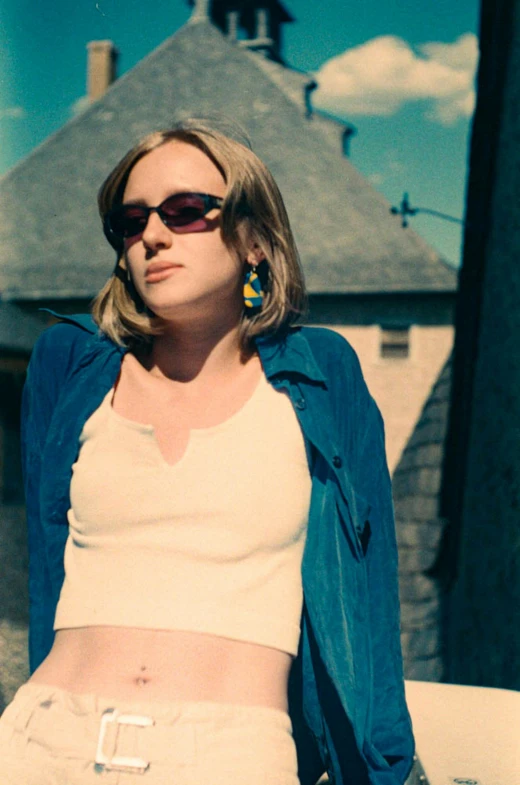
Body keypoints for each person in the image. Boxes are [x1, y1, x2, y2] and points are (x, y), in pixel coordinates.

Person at [0, 120, 414, 784]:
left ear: (253, 238)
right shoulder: (69, 365)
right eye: (130, 222)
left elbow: (369, 593)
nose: (153, 236)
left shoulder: (324, 376)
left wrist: (385, 767)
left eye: (186, 211)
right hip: (44, 740)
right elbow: (46, 568)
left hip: (230, 753)